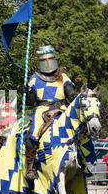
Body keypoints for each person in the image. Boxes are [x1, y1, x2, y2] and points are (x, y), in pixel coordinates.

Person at [22, 45, 77, 179]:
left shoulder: (62, 76)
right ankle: (31, 167)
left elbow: (71, 93)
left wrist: (73, 96)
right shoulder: (35, 77)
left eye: (49, 59)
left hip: (61, 107)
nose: (47, 63)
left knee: (77, 129)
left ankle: (82, 161)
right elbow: (30, 102)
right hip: (43, 109)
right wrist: (27, 92)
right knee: (33, 134)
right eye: (44, 60)